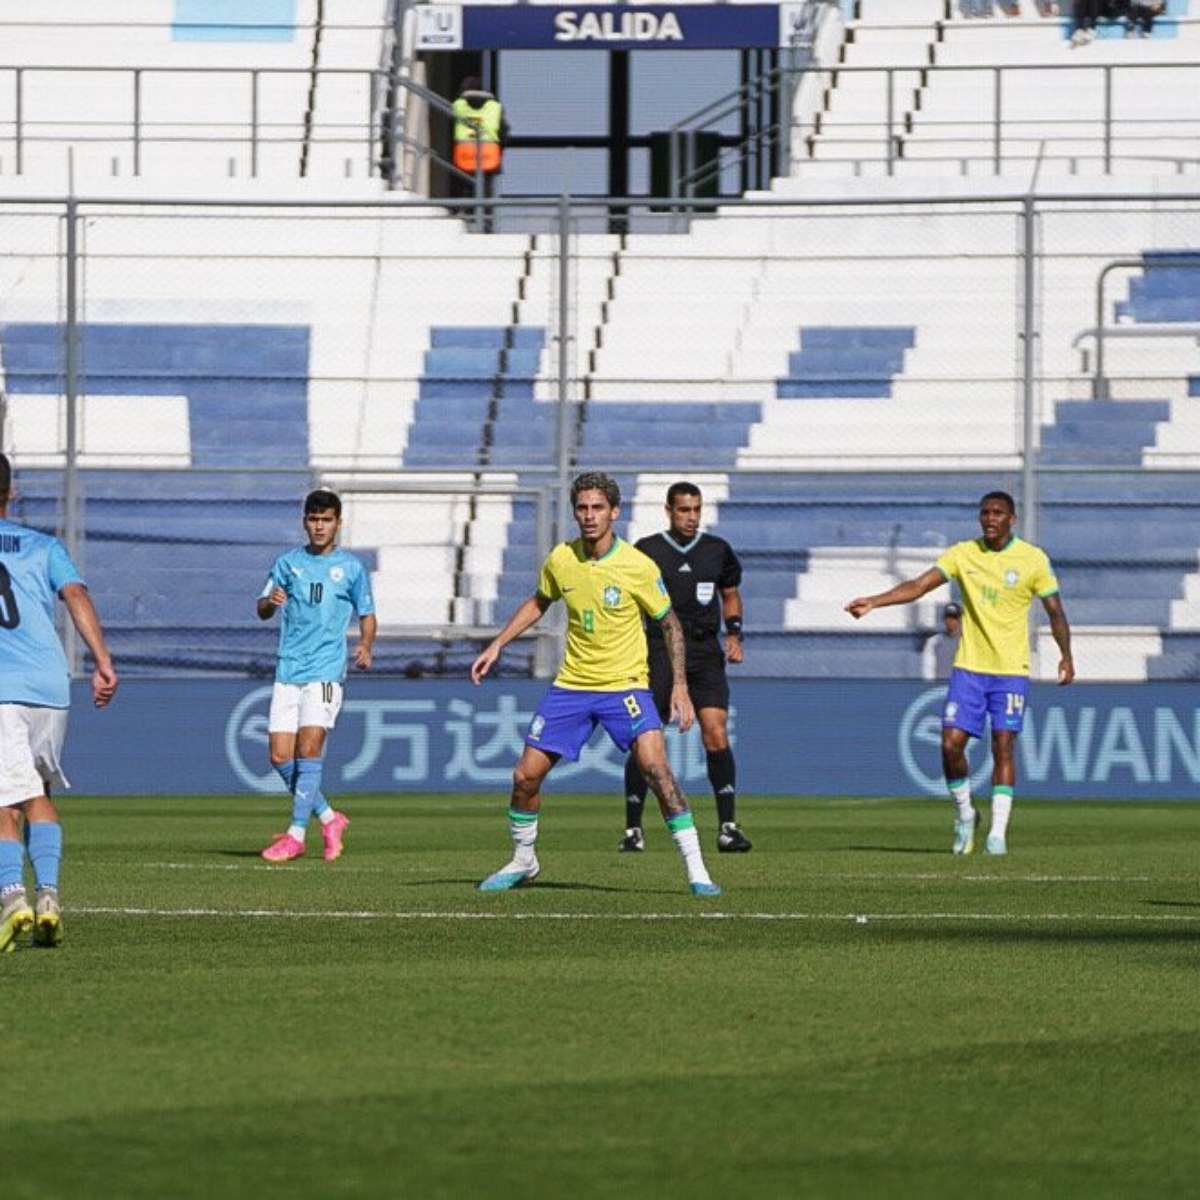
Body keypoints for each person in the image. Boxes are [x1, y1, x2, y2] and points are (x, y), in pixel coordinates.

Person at [471, 471, 721, 896]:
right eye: (582, 508)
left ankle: (698, 871)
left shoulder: (637, 566)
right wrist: (498, 643)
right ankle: (524, 859)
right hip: (572, 686)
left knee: (657, 769)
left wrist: (679, 685)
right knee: (524, 777)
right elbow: (539, 601)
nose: (589, 516)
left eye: (597, 508)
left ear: (614, 512)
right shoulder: (562, 559)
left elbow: (670, 624)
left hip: (625, 685)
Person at [845, 491, 1074, 857]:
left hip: (1011, 671)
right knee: (950, 745)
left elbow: (1055, 611)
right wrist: (875, 601)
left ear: (1012, 519)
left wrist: (1066, 655)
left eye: (998, 513)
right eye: (985, 513)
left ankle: (997, 835)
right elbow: (919, 586)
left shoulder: (1032, 559)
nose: (990, 518)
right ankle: (966, 814)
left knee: (1003, 746)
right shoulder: (963, 554)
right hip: (970, 669)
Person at [0, 452, 118, 953]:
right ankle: (48, 896)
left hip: (3, 690)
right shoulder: (45, 546)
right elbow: (76, 597)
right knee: (38, 793)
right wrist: (103, 661)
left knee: (7, 800)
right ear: (11, 493)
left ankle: (12, 899)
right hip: (51, 688)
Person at [619, 481, 750, 855]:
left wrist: (735, 633)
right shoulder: (648, 550)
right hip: (658, 649)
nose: (691, 517)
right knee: (647, 736)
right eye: (683, 510)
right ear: (669, 511)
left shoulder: (717, 550)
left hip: (704, 650)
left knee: (715, 732)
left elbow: (730, 592)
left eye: (696, 509)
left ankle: (727, 826)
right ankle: (633, 828)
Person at [256, 489, 376, 863]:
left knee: (308, 749)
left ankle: (295, 835)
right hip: (288, 667)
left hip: (324, 670)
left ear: (338, 523)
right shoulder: (287, 564)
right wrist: (269, 602)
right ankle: (329, 817)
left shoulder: (352, 569)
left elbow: (367, 614)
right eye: (313, 519)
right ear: (305, 521)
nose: (319, 526)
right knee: (279, 757)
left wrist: (367, 645)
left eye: (326, 520)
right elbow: (261, 608)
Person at [452, 76, 506, 229]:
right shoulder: (495, 107)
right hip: (489, 151)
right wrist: (500, 147)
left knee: (464, 184)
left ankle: (462, 213)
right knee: (487, 188)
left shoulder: (458, 105)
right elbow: (503, 130)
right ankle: (487, 221)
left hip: (465, 150)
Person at [921, 601, 963, 682]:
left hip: (961, 686)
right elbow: (928, 668)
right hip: (939, 686)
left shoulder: (966, 641)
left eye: (954, 617)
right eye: (948, 617)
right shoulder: (934, 641)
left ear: (960, 619)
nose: (950, 621)